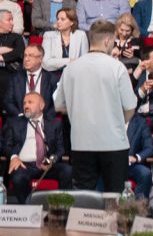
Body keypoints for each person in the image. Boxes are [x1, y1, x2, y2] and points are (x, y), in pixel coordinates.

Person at [55, 38, 138, 192]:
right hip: (113, 143)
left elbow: (59, 105)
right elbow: (130, 105)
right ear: (107, 40)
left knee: (83, 196)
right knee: (114, 196)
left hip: (82, 142)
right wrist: (118, 123)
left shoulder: (71, 68)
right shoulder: (117, 66)